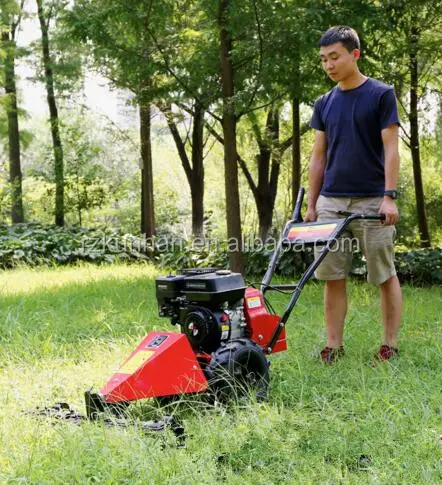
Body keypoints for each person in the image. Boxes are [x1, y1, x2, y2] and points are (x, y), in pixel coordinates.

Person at [305, 26, 402, 364]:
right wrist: (312, 202)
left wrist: (389, 195)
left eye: (335, 57)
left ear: (354, 54)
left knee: (383, 273)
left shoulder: (380, 94)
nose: (328, 65)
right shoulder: (324, 103)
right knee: (331, 275)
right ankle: (333, 346)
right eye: (323, 59)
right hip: (332, 202)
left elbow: (391, 148)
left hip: (372, 201)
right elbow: (319, 155)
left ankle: (389, 343)